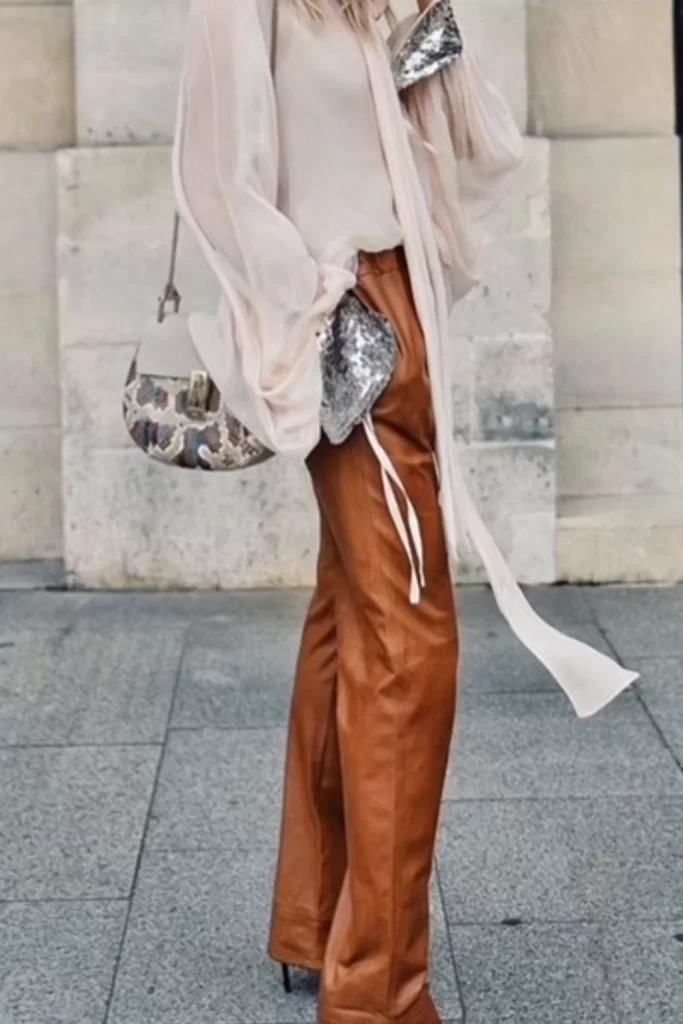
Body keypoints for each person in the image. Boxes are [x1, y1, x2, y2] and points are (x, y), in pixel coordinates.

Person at [172, 1, 639, 1021]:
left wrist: (422, 30)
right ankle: (378, 995)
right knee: (408, 642)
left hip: (402, 299)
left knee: (355, 611)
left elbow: (479, 146)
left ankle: (315, 910)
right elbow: (216, 177)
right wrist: (314, 311)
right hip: (342, 319)